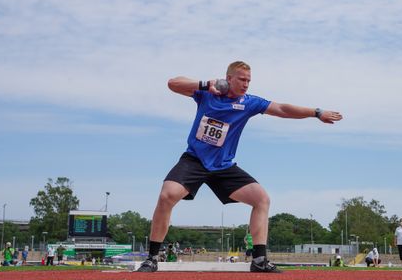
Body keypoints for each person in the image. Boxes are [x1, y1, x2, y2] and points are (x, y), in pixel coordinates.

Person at [137, 61, 343, 273]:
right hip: (195, 160)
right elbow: (172, 83)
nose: (246, 84)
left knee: (261, 199)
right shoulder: (207, 93)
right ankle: (152, 258)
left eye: (249, 80)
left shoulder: (249, 102)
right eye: (242, 79)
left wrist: (317, 112)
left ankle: (259, 260)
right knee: (166, 196)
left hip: (224, 167)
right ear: (229, 79)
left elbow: (281, 108)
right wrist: (206, 84)